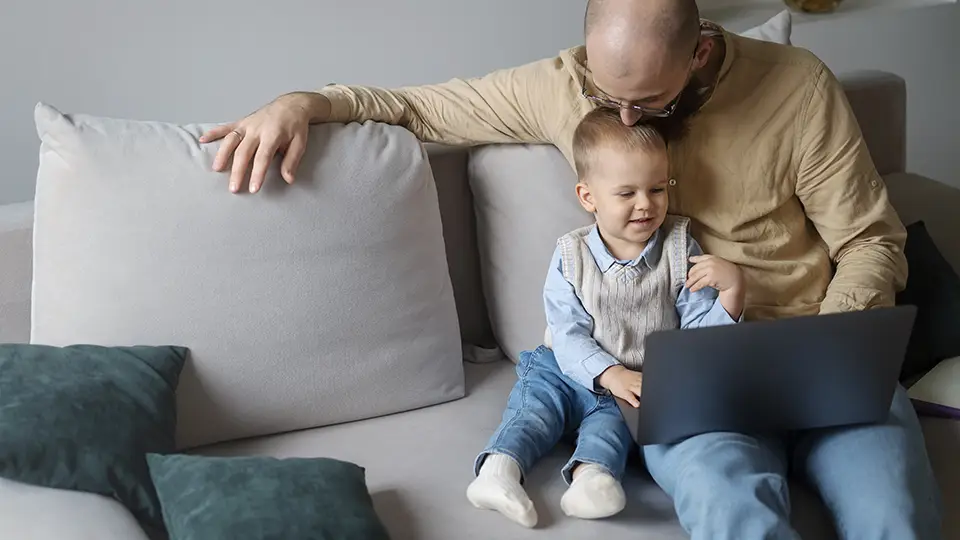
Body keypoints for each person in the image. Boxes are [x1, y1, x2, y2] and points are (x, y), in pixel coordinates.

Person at [200, 0, 943, 537]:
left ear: (701, 55)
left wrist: (829, 343)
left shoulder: (797, 86)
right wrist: (304, 101)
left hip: (818, 345)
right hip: (692, 377)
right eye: (604, 93)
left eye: (645, 100)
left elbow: (871, 241)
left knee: (893, 517)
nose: (620, 117)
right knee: (733, 516)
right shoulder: (569, 86)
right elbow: (418, 108)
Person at [467, 109, 744, 529]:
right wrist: (607, 371)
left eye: (657, 188)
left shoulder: (680, 249)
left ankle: (591, 479)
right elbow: (567, 331)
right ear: (588, 197)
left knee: (613, 427)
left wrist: (731, 295)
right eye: (626, 193)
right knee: (535, 407)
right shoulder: (570, 255)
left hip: (632, 381)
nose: (645, 205)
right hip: (565, 368)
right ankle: (499, 470)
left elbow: (696, 344)